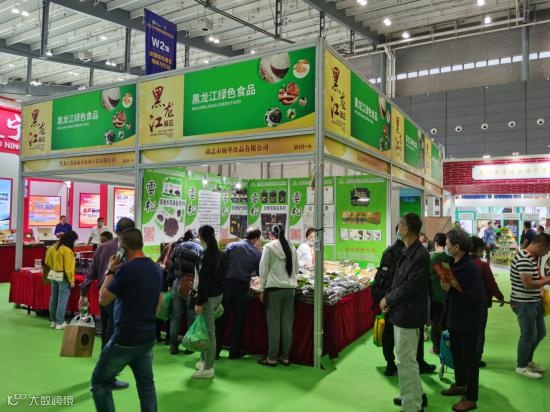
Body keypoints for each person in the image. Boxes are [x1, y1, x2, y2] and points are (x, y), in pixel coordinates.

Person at [90, 228, 163, 412]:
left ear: (122, 247)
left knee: (99, 383)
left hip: (124, 338)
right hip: (147, 337)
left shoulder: (125, 270)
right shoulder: (156, 268)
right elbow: (160, 300)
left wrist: (110, 271)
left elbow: (103, 299)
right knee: (147, 387)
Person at [380, 213, 429, 412]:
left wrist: (388, 299)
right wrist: (389, 299)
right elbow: (398, 281)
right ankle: (415, 397)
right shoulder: (408, 251)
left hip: (408, 315)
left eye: (399, 225)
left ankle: (412, 406)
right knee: (406, 360)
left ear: (405, 229)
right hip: (400, 312)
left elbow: (410, 287)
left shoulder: (419, 255)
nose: (398, 228)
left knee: (406, 361)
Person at [81, 217, 135, 390]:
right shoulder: (127, 250)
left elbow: (91, 272)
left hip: (103, 295)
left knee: (106, 333)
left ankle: (103, 371)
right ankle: (106, 377)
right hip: (117, 297)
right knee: (114, 335)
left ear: (116, 230)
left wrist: (83, 293)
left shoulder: (103, 247)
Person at [372, 227, 435, 377]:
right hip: (406, 303)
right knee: (414, 334)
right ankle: (417, 362)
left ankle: (390, 364)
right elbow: (410, 284)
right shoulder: (411, 253)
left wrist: (384, 299)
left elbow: (382, 277)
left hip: (389, 300)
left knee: (389, 334)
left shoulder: (390, 251)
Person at [440, 229, 485, 412]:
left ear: (457, 246)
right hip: (454, 317)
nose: (446, 246)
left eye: (448, 243)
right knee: (456, 354)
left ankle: (471, 398)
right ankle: (460, 384)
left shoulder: (471, 267)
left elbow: (476, 297)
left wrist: (450, 289)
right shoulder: (451, 264)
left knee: (470, 360)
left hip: (468, 321)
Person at [216, 227, 262, 359]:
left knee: (222, 319)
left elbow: (222, 265)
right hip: (243, 288)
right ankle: (234, 352)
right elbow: (259, 273)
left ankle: (215, 350)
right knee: (238, 322)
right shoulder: (257, 253)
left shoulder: (231, 246)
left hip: (227, 286)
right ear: (256, 239)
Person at [510, 233, 550, 379]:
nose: (546, 254)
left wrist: (544, 280)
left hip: (533, 301)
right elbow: (528, 284)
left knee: (540, 333)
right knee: (528, 334)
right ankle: (521, 366)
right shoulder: (524, 258)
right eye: (546, 250)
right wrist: (547, 281)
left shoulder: (531, 257)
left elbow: (534, 279)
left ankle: (527, 361)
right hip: (524, 302)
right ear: (540, 246)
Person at [258, 223, 298, 367]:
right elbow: (296, 269)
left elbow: (263, 269)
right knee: (287, 325)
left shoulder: (269, 247)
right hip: (290, 289)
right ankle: (285, 357)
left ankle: (272, 357)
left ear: (271, 234)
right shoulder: (291, 247)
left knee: (274, 325)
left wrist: (262, 288)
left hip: (274, 290)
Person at [192, 225, 226, 379]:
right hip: (217, 295)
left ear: (201, 236)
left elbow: (203, 281)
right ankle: (204, 360)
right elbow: (223, 276)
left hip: (207, 297)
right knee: (207, 330)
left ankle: (208, 367)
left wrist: (199, 302)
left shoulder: (205, 255)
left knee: (209, 332)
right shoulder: (221, 254)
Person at [470, 236, 505, 367]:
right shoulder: (482, 265)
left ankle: (463, 354)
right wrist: (500, 296)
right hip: (480, 303)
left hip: (462, 303)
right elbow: (491, 284)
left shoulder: (459, 262)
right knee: (479, 331)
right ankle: (476, 357)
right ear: (479, 249)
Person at [167, 230, 203, 355]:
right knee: (191, 316)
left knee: (175, 317)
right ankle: (189, 346)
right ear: (196, 237)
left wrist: (170, 284)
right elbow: (200, 271)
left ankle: (173, 345)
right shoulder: (200, 249)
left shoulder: (178, 247)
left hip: (177, 283)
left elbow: (171, 267)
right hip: (191, 286)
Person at [45, 230, 78, 330]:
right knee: (62, 299)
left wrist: (54, 267)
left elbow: (47, 262)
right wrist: (71, 280)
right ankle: (60, 322)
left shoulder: (52, 247)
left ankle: (53, 321)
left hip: (54, 275)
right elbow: (68, 268)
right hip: (63, 276)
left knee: (53, 298)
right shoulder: (67, 250)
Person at [429, 232, 449, 355]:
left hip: (435, 296)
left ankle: (436, 348)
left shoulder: (431, 258)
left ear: (435, 243)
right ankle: (447, 348)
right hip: (448, 295)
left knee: (435, 324)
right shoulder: (449, 258)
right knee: (446, 323)